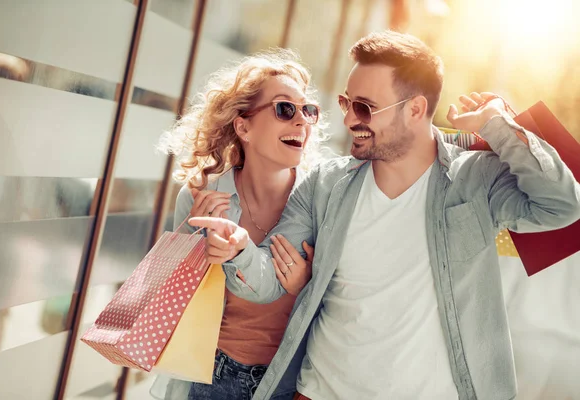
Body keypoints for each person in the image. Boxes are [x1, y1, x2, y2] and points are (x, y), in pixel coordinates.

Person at [190, 31, 580, 400]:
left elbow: (561, 204)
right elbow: (268, 283)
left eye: (364, 108)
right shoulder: (325, 184)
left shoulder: (475, 178)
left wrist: (495, 123)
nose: (348, 120)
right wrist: (239, 249)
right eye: (347, 103)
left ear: (415, 109)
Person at [152, 49, 327, 400]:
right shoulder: (200, 196)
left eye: (307, 110)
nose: (301, 121)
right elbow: (171, 297)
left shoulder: (321, 197)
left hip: (289, 382)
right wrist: (198, 247)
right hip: (211, 376)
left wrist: (306, 284)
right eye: (284, 109)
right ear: (243, 126)